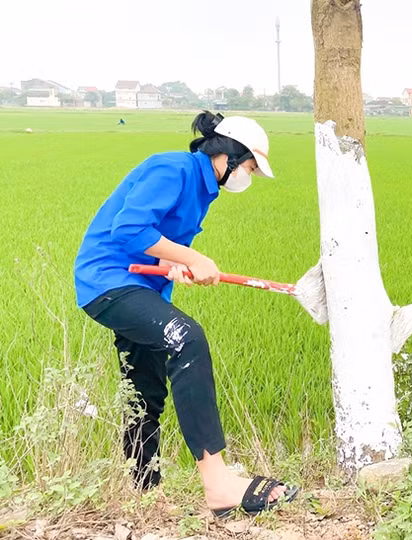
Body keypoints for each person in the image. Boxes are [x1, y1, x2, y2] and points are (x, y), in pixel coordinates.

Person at [74, 111, 298, 516]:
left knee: (145, 388)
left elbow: (157, 245)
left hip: (144, 283)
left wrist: (178, 266)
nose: (248, 175)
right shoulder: (172, 168)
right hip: (107, 282)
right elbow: (129, 230)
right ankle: (218, 484)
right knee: (187, 338)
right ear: (227, 155)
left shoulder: (203, 189)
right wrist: (192, 255)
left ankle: (145, 492)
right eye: (248, 166)